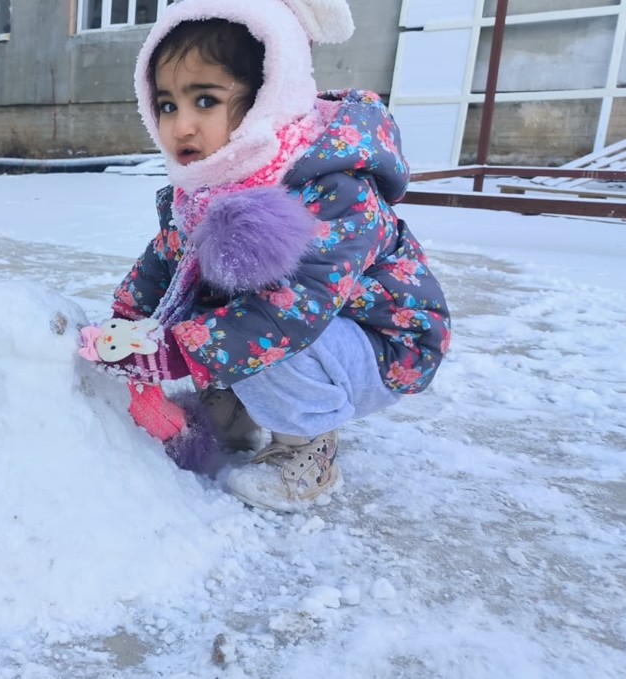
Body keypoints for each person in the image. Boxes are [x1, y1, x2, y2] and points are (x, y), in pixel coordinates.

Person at [78, 0, 452, 512]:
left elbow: (293, 308)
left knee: (257, 330)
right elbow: (164, 265)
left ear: (269, 96)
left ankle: (306, 449)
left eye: (205, 100)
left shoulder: (333, 190)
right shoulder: (207, 190)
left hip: (381, 344)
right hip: (318, 333)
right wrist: (126, 325)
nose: (181, 126)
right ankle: (239, 408)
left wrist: (178, 353)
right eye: (167, 105)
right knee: (213, 303)